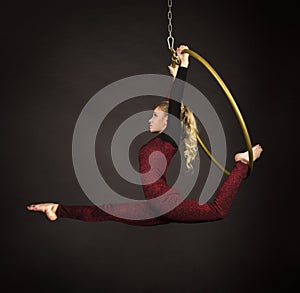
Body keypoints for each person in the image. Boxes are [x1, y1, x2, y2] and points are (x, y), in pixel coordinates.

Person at [27, 45, 263, 225]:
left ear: (168, 121)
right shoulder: (163, 139)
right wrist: (174, 76)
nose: (149, 119)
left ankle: (241, 163)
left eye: (154, 116)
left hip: (164, 203)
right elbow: (174, 105)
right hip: (156, 205)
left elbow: (175, 105)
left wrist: (184, 66)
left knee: (217, 211)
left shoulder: (170, 137)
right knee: (106, 210)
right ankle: (56, 208)